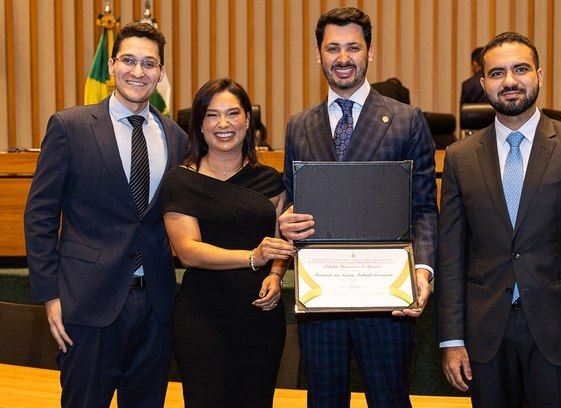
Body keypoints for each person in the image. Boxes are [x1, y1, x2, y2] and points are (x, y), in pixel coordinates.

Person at [436, 31, 561, 408]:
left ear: (539, 75)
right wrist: (451, 340)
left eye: (520, 69)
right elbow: (452, 256)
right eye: (497, 73)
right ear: (482, 83)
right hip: (485, 338)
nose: (509, 81)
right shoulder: (459, 157)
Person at [278, 7, 437, 408]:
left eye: (353, 47)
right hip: (321, 299)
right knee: (323, 401)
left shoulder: (407, 120)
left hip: (385, 297)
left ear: (370, 52)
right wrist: (286, 220)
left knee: (389, 400)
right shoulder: (299, 125)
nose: (343, 58)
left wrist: (423, 269)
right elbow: (290, 195)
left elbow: (424, 207)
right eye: (333, 48)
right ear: (318, 54)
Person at [23, 22, 187, 407]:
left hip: (157, 308)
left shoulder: (177, 137)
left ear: (161, 72)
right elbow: (40, 216)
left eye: (149, 63)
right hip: (87, 304)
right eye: (128, 60)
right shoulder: (70, 126)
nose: (138, 71)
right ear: (112, 64)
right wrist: (50, 296)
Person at [161, 78, 295, 407]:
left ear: (248, 120)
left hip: (260, 317)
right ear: (199, 125)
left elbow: (280, 246)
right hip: (202, 317)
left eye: (233, 113)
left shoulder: (271, 180)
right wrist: (253, 257)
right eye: (212, 115)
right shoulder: (181, 180)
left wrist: (276, 275)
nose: (223, 124)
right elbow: (188, 251)